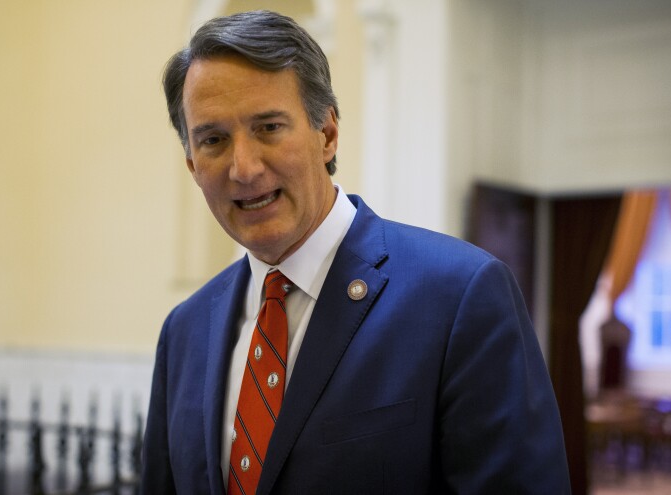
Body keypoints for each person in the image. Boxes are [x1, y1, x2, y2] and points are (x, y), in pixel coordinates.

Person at [141, 10, 570, 494]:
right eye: (214, 140)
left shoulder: (460, 298)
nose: (243, 167)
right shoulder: (184, 332)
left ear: (327, 134)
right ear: (193, 164)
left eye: (268, 127)